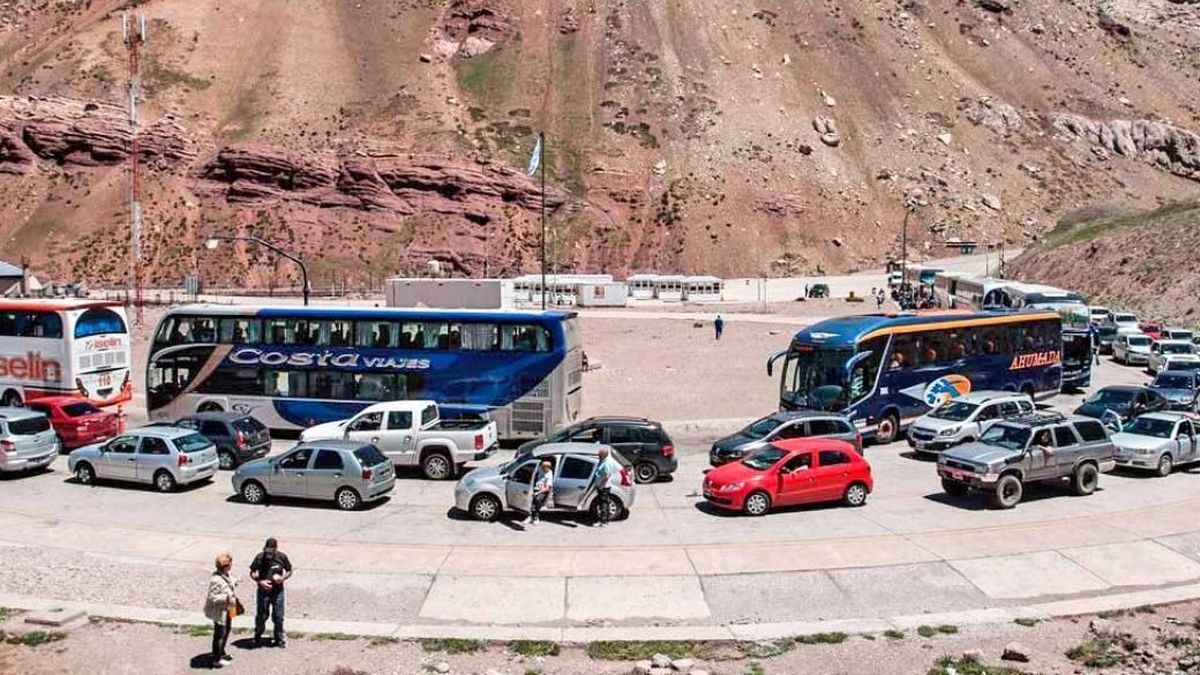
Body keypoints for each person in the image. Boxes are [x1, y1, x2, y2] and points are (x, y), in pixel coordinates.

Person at [250, 537, 292, 649]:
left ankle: (279, 638)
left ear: (275, 550)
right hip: (263, 591)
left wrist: (282, 578)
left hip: (278, 592)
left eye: (270, 551)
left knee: (278, 616)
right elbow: (252, 572)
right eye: (266, 551)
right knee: (261, 616)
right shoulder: (259, 557)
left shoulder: (281, 557)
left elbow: (289, 570)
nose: (268, 554)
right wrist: (259, 581)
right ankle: (258, 635)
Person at [203, 553, 239, 668]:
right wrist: (227, 598)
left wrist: (236, 581)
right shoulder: (216, 580)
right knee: (219, 634)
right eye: (230, 564)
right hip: (220, 611)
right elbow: (213, 597)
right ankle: (216, 659)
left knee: (227, 629)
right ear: (226, 566)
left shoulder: (225, 574)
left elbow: (229, 581)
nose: (231, 565)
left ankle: (220, 652)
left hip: (229, 608)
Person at [588, 447, 616, 528]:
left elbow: (607, 476)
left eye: (599, 454)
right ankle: (606, 520)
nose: (598, 455)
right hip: (604, 486)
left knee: (603, 504)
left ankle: (602, 521)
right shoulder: (604, 461)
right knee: (605, 503)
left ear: (603, 455)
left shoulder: (606, 463)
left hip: (603, 487)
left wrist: (600, 485)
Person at [529, 460, 554, 525]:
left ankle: (536, 516)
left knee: (537, 499)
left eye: (544, 467)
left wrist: (538, 492)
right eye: (542, 466)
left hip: (542, 490)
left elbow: (547, 488)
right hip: (535, 487)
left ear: (548, 468)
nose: (542, 468)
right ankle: (530, 515)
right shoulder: (539, 469)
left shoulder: (549, 474)